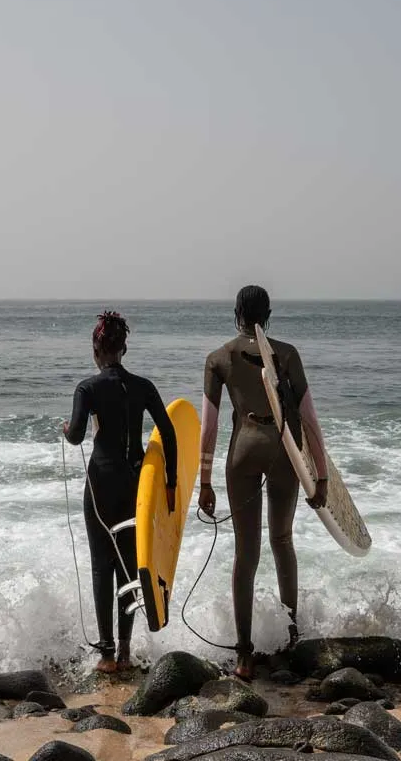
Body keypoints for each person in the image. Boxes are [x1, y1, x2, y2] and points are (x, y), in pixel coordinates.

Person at [197, 286, 330, 680]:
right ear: (268, 313)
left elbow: (209, 428)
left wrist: (204, 482)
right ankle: (291, 639)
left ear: (236, 313)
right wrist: (320, 475)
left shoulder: (218, 358)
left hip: (242, 451)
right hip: (282, 451)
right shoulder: (287, 355)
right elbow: (308, 420)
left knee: (246, 552)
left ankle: (243, 655)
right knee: (282, 540)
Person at [63, 311, 178, 674]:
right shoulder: (144, 386)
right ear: (124, 348)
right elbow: (170, 434)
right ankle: (126, 651)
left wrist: (67, 429)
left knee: (102, 566)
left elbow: (78, 435)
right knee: (130, 566)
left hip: (100, 484)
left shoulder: (88, 388)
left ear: (96, 350)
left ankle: (107, 655)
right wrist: (171, 484)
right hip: (134, 485)